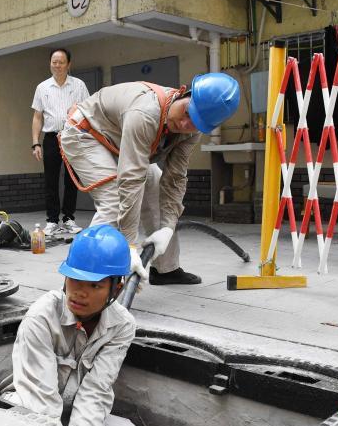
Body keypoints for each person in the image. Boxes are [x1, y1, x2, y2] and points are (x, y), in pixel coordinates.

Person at [59, 73, 240, 285]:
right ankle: (84, 282)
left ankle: (166, 269)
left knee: (156, 186)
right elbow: (131, 179)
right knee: (113, 202)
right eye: (186, 112)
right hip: (86, 132)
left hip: (119, 139)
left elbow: (175, 179)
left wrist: (167, 228)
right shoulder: (145, 112)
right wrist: (130, 245)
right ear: (184, 93)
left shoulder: (192, 132)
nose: (184, 124)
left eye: (195, 122)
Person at [0, 224, 155, 426]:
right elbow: (41, 401)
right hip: (29, 403)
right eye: (74, 279)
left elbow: (96, 389)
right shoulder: (41, 316)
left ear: (117, 289)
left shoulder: (122, 325)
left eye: (95, 285)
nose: (80, 292)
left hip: (75, 409)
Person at [32, 48, 90, 235]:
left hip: (73, 136)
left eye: (61, 62)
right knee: (51, 180)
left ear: (68, 65)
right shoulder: (42, 87)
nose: (56, 65)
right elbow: (37, 117)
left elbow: (88, 111)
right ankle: (52, 220)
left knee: (72, 179)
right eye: (54, 62)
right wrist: (36, 143)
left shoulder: (79, 85)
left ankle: (69, 218)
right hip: (51, 138)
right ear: (50, 64)